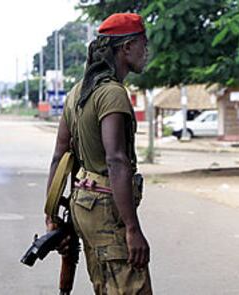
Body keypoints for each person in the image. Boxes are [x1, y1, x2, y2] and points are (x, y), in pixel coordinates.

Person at [46, 13, 152, 294]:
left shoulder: (77, 93)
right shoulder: (112, 94)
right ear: (126, 47)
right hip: (107, 209)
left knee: (105, 286)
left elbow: (59, 156)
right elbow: (116, 159)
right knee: (131, 287)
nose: (147, 51)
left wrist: (51, 214)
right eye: (144, 43)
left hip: (84, 206)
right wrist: (132, 228)